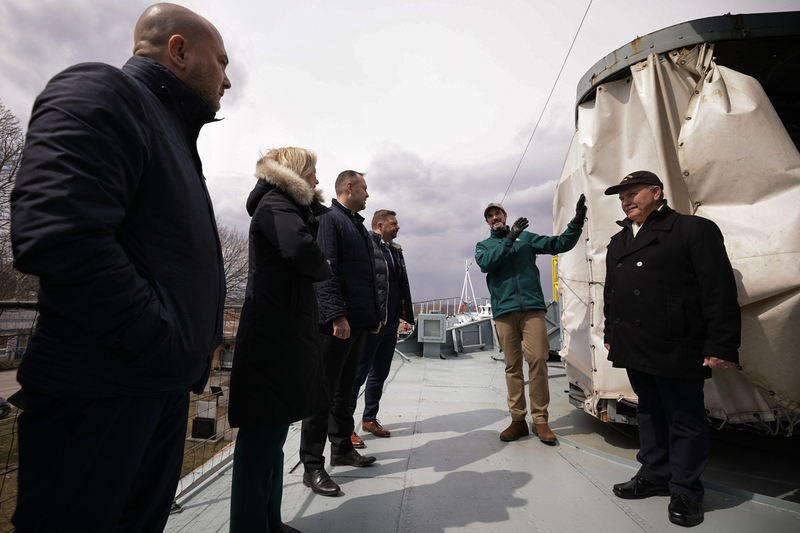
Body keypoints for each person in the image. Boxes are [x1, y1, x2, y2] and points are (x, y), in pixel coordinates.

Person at [8, 4, 230, 532]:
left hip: (154, 392)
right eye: (221, 62)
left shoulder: (174, 134)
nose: (229, 78)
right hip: (99, 401)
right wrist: (164, 339)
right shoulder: (103, 92)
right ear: (178, 50)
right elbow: (58, 235)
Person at [603, 171, 741, 527]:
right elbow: (611, 294)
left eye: (633, 193)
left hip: (678, 344)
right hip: (634, 344)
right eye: (621, 196)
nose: (626, 200)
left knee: (684, 417)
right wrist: (610, 333)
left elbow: (719, 290)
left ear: (656, 192)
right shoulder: (618, 241)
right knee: (648, 411)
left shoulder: (693, 230)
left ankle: (685, 490)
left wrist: (721, 344)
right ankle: (654, 475)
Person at [227, 148, 332, 533]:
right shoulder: (276, 203)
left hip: (282, 336)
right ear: (296, 173)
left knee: (272, 440)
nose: (318, 181)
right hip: (272, 339)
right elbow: (300, 249)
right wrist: (324, 266)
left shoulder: (282, 206)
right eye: (313, 173)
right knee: (259, 442)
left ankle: (269, 520)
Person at [475, 196, 586, 444]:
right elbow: (488, 264)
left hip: (532, 308)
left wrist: (576, 223)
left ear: (505, 216)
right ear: (487, 221)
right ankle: (517, 421)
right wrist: (511, 238)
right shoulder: (483, 246)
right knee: (512, 365)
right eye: (490, 215)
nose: (495, 217)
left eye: (498, 213)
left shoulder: (527, 239)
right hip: (504, 311)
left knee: (538, 360)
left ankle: (540, 420)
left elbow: (558, 244)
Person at [300, 171, 383, 496]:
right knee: (322, 394)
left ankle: (342, 448)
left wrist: (373, 316)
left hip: (359, 323)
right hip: (338, 324)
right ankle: (312, 465)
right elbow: (326, 270)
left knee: (345, 390)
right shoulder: (331, 220)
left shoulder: (356, 224)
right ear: (349, 187)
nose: (367, 194)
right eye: (364, 188)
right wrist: (336, 314)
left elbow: (364, 276)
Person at [349, 210, 414, 448]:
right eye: (394, 224)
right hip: (373, 323)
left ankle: (369, 419)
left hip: (391, 321)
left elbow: (398, 285)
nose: (398, 228)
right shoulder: (367, 244)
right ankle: (345, 428)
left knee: (379, 373)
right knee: (357, 375)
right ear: (380, 225)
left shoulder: (394, 250)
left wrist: (403, 317)